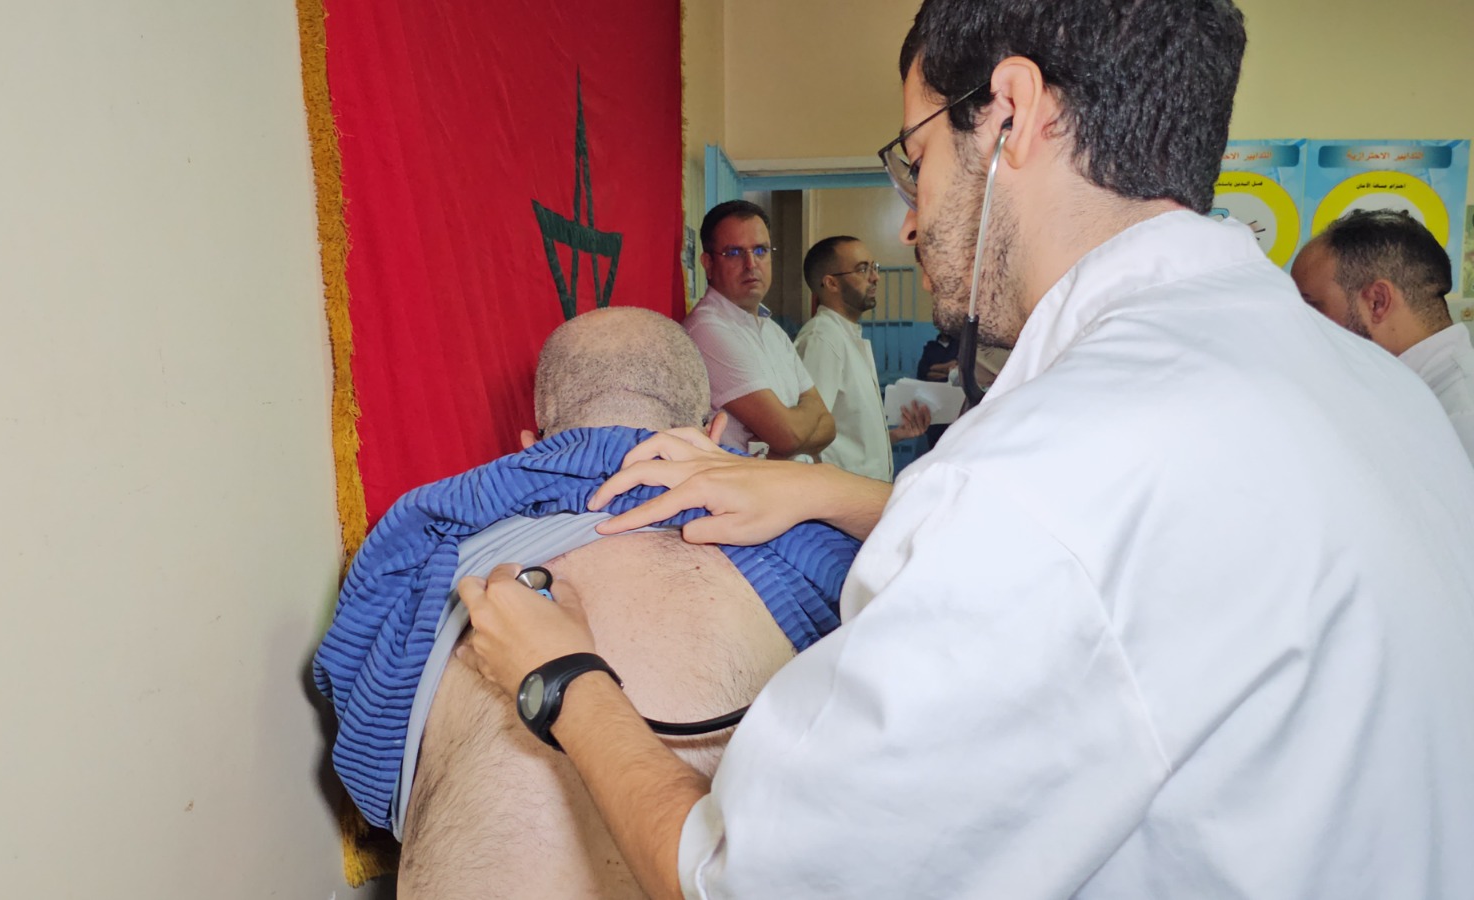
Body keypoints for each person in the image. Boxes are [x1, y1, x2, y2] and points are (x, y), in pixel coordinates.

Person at [453, 1, 1474, 897]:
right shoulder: (1376, 388)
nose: (910, 221)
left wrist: (564, 678)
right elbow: (1159, 562)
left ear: (1011, 111)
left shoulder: (1042, 473)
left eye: (917, 158)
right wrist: (829, 492)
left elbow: (747, 878)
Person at [311, 308, 858, 899]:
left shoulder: (422, 550)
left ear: (531, 443)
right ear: (716, 432)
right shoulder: (820, 547)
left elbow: (373, 775)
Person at [1291, 208, 1474, 462]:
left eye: (1312, 306)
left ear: (1377, 302)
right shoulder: (1396, 384)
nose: (1301, 324)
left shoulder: (1462, 419)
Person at [684, 200, 835, 459]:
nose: (751, 264)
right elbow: (787, 436)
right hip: (744, 485)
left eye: (761, 250)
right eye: (734, 252)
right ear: (708, 263)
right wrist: (796, 429)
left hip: (788, 481)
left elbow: (829, 427)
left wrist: (788, 436)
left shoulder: (772, 331)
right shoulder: (707, 330)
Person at [794, 235, 930, 480]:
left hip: (861, 491)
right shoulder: (822, 339)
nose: (875, 277)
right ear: (831, 283)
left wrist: (895, 435)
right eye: (862, 269)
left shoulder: (846, 335)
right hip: (841, 496)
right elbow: (807, 437)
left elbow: (846, 438)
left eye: (873, 267)